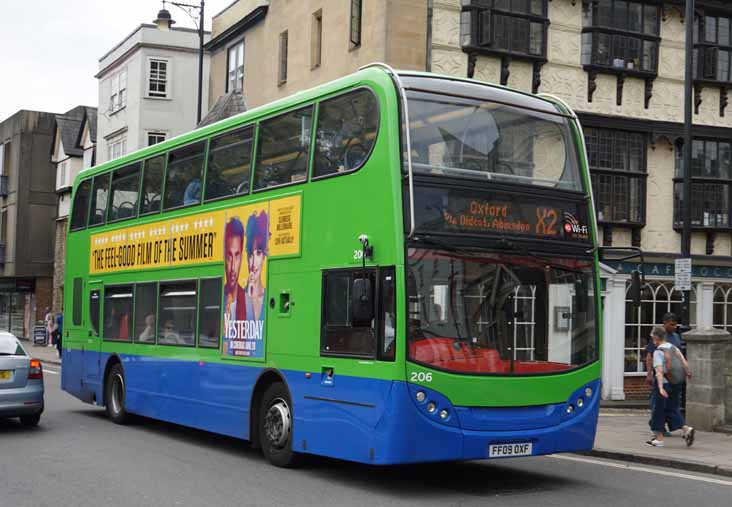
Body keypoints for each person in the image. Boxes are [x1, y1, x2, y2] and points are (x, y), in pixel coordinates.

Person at [646, 326, 695, 448]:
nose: (652, 339)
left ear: (656, 337)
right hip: (676, 383)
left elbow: (659, 371)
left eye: (652, 337)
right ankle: (686, 429)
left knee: (658, 411)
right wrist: (688, 373)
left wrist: (661, 388)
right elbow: (684, 362)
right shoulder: (673, 347)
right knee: (672, 408)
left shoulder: (658, 351)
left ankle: (659, 439)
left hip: (665, 384)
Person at [645, 312, 683, 435]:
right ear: (665, 323)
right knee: (659, 402)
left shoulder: (677, 337)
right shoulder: (658, 337)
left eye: (676, 324)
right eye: (672, 324)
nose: (674, 327)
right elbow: (649, 356)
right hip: (661, 375)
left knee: (672, 403)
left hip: (674, 376)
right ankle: (658, 428)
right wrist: (649, 374)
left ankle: (658, 424)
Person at [244, 211, 268, 322]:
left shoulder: (269, 296)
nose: (253, 264)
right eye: (250, 255)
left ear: (264, 256)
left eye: (258, 253)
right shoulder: (237, 299)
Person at [224, 217, 248, 323]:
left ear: (242, 256)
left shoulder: (249, 303)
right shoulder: (217, 298)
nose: (233, 267)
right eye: (229, 256)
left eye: (237, 255)